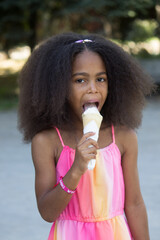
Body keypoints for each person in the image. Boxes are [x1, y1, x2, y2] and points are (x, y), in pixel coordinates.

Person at [18, 32, 155, 240]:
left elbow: (134, 203)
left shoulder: (124, 137)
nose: (93, 88)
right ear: (58, 88)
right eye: (80, 80)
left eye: (101, 79)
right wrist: (76, 169)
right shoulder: (47, 142)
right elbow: (47, 212)